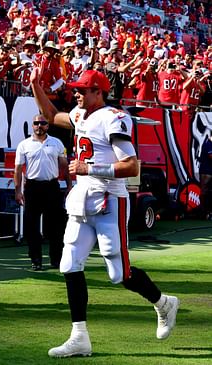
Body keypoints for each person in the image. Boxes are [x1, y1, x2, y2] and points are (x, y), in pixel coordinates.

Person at [30, 68, 180, 357]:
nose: (76, 94)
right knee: (69, 264)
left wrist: (90, 168)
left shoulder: (114, 118)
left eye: (82, 90)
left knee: (119, 273)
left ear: (99, 92)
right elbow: (51, 116)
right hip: (82, 199)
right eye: (76, 90)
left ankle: (163, 303)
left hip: (110, 199)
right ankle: (79, 337)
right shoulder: (79, 114)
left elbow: (132, 166)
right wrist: (37, 86)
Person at [14, 114, 70, 270]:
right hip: (32, 188)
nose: (39, 126)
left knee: (56, 226)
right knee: (31, 226)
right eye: (36, 123)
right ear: (32, 126)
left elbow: (64, 166)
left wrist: (69, 186)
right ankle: (36, 260)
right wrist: (18, 191)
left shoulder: (57, 143)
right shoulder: (24, 145)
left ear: (48, 126)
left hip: (52, 187)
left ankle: (56, 260)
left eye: (43, 123)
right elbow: (18, 170)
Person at [199, 135, 212, 220]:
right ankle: (204, 212)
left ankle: (206, 212)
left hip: (208, 172)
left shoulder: (208, 143)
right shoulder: (209, 143)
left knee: (206, 192)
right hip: (206, 172)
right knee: (205, 193)